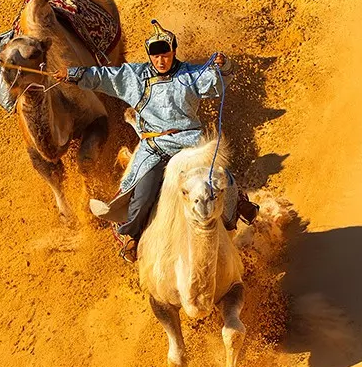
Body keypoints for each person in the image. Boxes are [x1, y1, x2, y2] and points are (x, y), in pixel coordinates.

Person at [54, 20, 257, 260]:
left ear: (173, 52)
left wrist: (223, 67)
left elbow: (216, 82)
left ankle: (239, 203)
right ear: (150, 56)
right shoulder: (135, 77)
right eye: (156, 56)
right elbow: (104, 76)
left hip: (188, 141)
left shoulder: (190, 74)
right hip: (154, 147)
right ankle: (132, 237)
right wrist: (74, 74)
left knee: (217, 176)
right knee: (142, 195)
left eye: (166, 55)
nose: (161, 60)